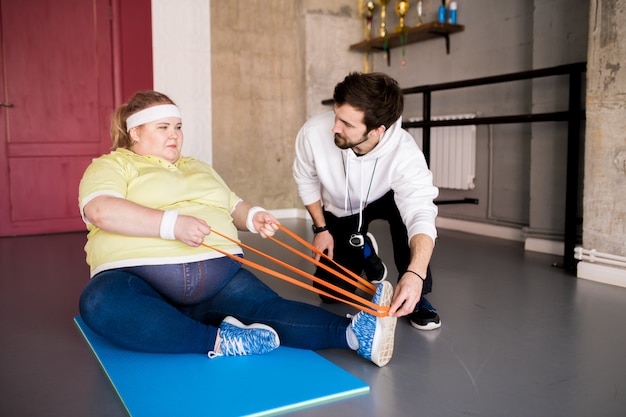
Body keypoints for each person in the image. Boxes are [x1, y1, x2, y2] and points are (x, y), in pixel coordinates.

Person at [77, 90, 397, 367]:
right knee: (99, 302)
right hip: (138, 278)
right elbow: (100, 209)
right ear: (134, 132)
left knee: (271, 309)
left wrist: (253, 215)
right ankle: (217, 340)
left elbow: (232, 204)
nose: (174, 134)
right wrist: (171, 225)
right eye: (163, 127)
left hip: (220, 278)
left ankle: (356, 334)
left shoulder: (198, 166)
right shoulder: (112, 165)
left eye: (177, 127)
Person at [293, 72, 441, 330]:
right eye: (336, 116)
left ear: (377, 130)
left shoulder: (404, 153)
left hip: (387, 197)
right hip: (343, 206)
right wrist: (321, 229)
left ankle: (418, 296)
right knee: (331, 294)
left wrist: (416, 273)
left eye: (347, 124)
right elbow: (306, 180)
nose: (335, 128)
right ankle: (365, 251)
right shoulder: (313, 133)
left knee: (409, 221)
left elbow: (421, 214)